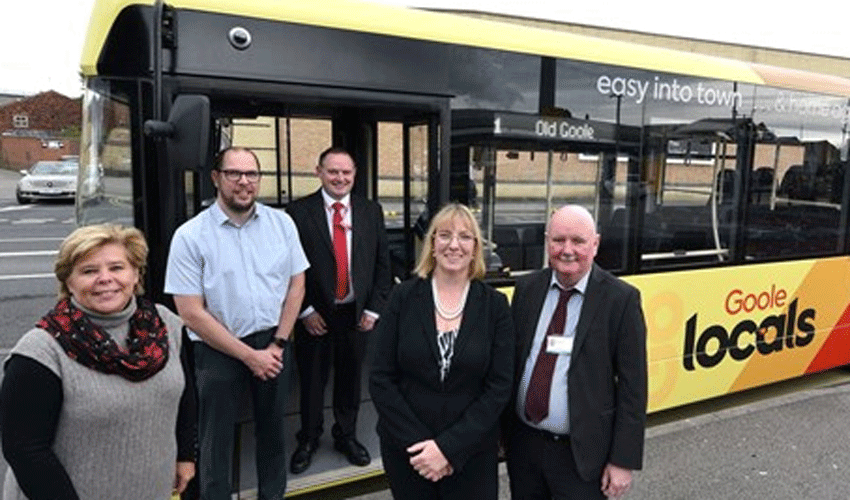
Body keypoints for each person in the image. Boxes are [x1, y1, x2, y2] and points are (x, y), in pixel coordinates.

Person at [0, 224, 196, 500]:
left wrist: (186, 454)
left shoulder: (166, 326)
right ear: (68, 282)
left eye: (117, 268)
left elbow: (184, 395)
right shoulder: (42, 351)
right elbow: (24, 450)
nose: (105, 279)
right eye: (89, 271)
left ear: (136, 273)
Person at [164, 147, 308, 500]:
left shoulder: (282, 224)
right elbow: (190, 311)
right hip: (217, 349)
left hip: (274, 344)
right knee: (215, 439)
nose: (244, 182)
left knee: (273, 431)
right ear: (216, 178)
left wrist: (278, 344)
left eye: (252, 174)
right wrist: (249, 355)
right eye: (234, 174)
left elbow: (296, 285)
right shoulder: (190, 236)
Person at [370, 203, 514, 499]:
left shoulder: (495, 306)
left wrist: (448, 449)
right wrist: (425, 449)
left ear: (475, 248)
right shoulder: (402, 297)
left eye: (465, 237)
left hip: (471, 455)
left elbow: (499, 387)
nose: (454, 245)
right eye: (444, 235)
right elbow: (381, 377)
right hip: (410, 453)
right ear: (432, 244)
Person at [505, 204, 647, 500]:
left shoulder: (620, 300)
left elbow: (634, 388)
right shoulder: (527, 288)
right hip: (525, 449)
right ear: (547, 242)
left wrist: (622, 461)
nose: (567, 250)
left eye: (578, 241)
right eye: (558, 240)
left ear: (594, 244)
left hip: (583, 455)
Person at [286, 146, 391, 473]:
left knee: (349, 381)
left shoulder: (370, 211)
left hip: (356, 316)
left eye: (346, 172)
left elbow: (382, 265)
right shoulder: (297, 212)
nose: (340, 178)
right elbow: (286, 268)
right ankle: (309, 437)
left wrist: (374, 309)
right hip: (314, 316)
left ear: (355, 174)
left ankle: (346, 434)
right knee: (312, 382)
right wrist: (303, 311)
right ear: (319, 172)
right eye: (333, 171)